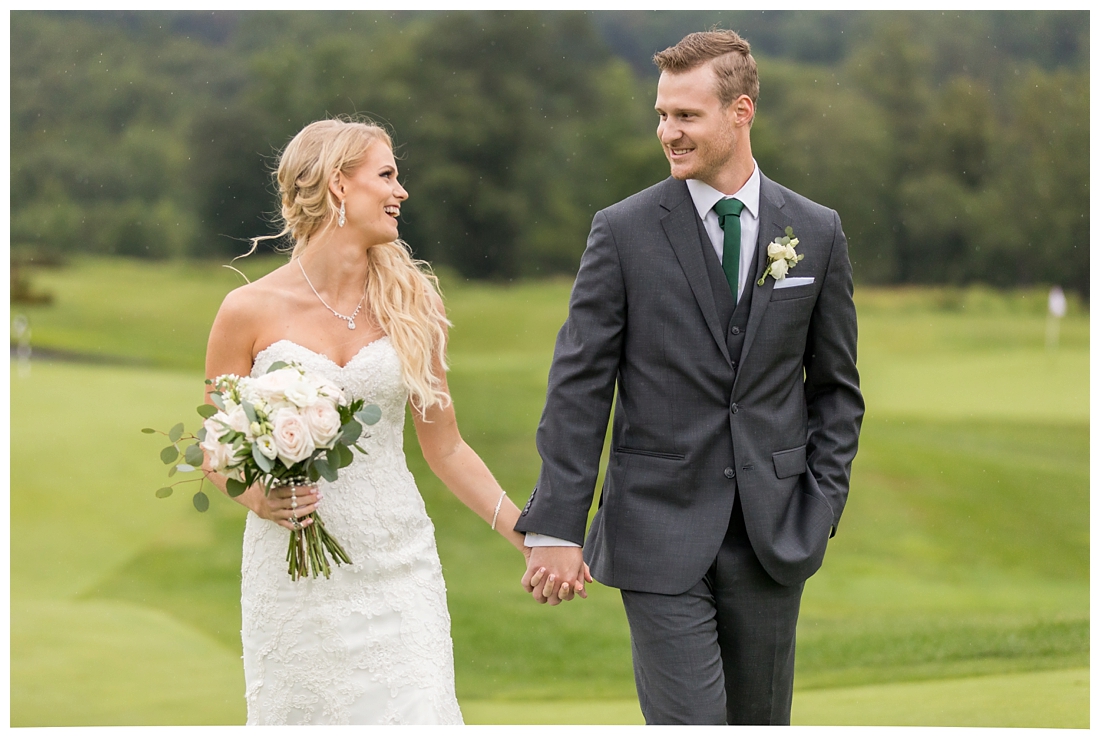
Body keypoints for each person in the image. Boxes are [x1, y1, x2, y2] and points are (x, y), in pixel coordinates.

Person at [515, 30, 864, 725]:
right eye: (661, 114)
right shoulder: (622, 231)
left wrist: (819, 506)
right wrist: (557, 523)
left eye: (686, 116)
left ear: (741, 112)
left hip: (774, 533)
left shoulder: (817, 232)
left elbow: (836, 390)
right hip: (655, 528)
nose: (666, 132)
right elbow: (579, 386)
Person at [203, 118, 529, 724]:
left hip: (398, 564)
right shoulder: (246, 310)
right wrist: (258, 498)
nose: (401, 191)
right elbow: (214, 445)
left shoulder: (414, 304)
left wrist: (527, 534)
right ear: (338, 186)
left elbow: (447, 448)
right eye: (387, 175)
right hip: (292, 578)